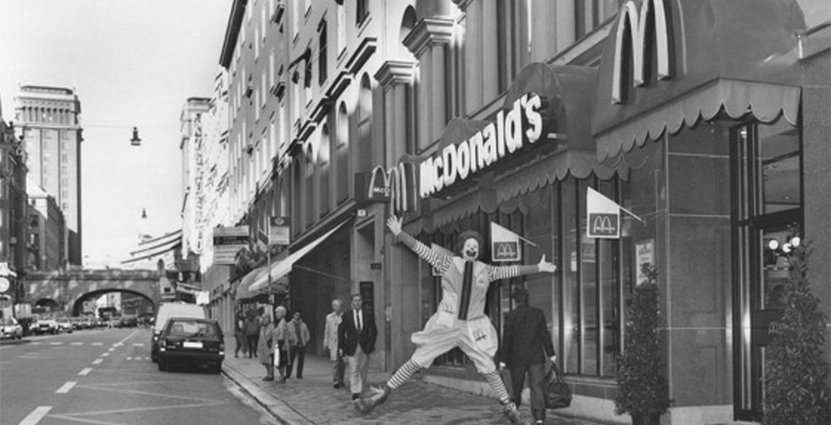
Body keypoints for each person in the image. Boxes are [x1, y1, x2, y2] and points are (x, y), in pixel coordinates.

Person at [356, 215, 557, 425]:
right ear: (462, 248)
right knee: (417, 359)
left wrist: (538, 268)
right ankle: (384, 393)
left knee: (488, 367)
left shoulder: (486, 270)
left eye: (476, 246)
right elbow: (422, 250)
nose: (472, 248)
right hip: (447, 326)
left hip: (472, 328)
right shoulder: (446, 263)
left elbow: (510, 270)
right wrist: (400, 234)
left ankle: (508, 406)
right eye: (469, 245)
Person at [500, 287, 557, 425]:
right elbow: (545, 334)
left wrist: (502, 360)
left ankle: (514, 414)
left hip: (517, 358)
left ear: (515, 301)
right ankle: (539, 418)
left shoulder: (511, 316)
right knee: (537, 387)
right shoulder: (538, 313)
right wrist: (551, 354)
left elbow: (507, 339)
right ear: (527, 298)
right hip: (535, 358)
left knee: (516, 388)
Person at [339, 293, 377, 400]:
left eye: (359, 300)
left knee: (363, 368)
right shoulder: (347, 315)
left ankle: (362, 388)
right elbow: (341, 331)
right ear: (352, 302)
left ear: (362, 302)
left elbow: (373, 330)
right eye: (355, 300)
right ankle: (355, 391)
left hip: (365, 346)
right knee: (354, 368)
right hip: (352, 346)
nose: (357, 302)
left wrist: (371, 344)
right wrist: (341, 347)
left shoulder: (368, 314)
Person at [324, 299, 346, 388]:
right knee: (334, 362)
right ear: (333, 307)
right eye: (336, 306)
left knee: (343, 363)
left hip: (343, 342)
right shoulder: (329, 317)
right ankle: (335, 380)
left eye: (339, 306)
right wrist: (325, 341)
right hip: (333, 342)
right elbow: (327, 330)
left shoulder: (345, 316)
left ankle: (341, 379)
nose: (337, 308)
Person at [286, 310, 310, 379]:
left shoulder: (303, 324)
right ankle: (288, 374)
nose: (297, 316)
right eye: (296, 315)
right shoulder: (289, 325)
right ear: (293, 316)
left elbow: (307, 333)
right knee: (290, 360)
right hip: (293, 344)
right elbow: (287, 334)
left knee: (301, 360)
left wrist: (305, 340)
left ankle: (299, 375)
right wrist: (290, 340)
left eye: (298, 315)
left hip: (301, 344)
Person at [273, 306, 292, 382]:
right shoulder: (280, 322)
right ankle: (281, 376)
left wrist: (279, 344)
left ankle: (282, 376)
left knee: (280, 362)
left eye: (277, 313)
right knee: (279, 361)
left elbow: (282, 333)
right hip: (280, 344)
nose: (276, 314)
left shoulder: (282, 323)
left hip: (282, 345)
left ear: (282, 313)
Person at [256, 311, 276, 381]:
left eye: (265, 318)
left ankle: (271, 375)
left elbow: (274, 338)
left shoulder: (272, 327)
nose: (263, 319)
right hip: (263, 348)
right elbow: (260, 338)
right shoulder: (262, 328)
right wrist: (258, 348)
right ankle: (268, 374)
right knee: (265, 362)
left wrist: (273, 349)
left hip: (269, 348)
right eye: (263, 318)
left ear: (268, 319)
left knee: (270, 362)